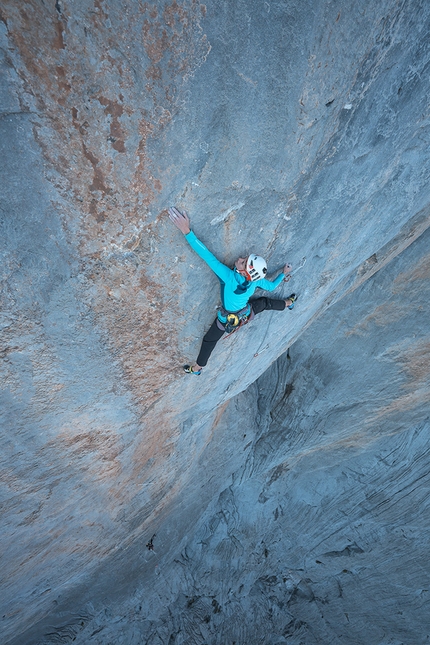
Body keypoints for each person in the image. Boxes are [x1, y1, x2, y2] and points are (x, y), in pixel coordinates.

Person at [168, 207, 297, 375]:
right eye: (245, 259)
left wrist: (186, 231)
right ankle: (289, 303)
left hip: (230, 314)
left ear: (245, 272)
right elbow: (272, 287)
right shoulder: (256, 281)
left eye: (243, 263)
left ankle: (198, 368)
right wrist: (283, 274)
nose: (241, 259)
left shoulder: (229, 277)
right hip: (246, 310)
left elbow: (207, 255)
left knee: (209, 340)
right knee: (265, 303)